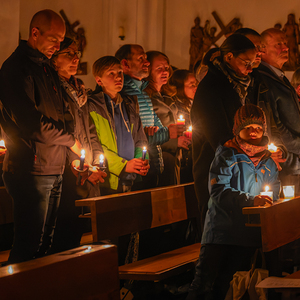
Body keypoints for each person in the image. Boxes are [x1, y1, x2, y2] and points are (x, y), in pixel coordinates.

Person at [0, 9, 82, 263]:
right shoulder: (16, 68)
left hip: (53, 166)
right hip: (30, 169)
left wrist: (73, 155)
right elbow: (32, 124)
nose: (58, 46)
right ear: (35, 33)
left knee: (46, 246)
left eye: (62, 40)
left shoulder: (46, 68)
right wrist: (72, 142)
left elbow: (61, 113)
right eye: (54, 39)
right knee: (28, 246)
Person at [186, 104, 280, 300]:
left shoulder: (268, 162)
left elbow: (275, 186)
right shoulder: (228, 155)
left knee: (228, 284)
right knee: (205, 284)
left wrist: (274, 199)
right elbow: (218, 190)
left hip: (246, 233)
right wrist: (251, 200)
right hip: (221, 231)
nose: (254, 133)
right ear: (238, 130)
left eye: (258, 128)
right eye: (248, 128)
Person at [191, 34, 256, 231]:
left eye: (254, 63)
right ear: (228, 57)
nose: (250, 68)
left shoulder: (237, 85)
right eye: (246, 62)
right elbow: (219, 135)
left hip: (237, 169)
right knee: (215, 235)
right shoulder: (211, 87)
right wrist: (253, 154)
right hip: (215, 170)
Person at [50, 37, 106, 253]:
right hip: (68, 169)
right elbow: (61, 133)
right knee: (67, 231)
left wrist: (97, 160)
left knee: (86, 232)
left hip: (87, 165)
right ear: (55, 59)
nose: (76, 59)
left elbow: (89, 129)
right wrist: (78, 165)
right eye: (69, 54)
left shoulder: (78, 89)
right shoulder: (54, 90)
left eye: (77, 55)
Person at [115, 44, 182, 189]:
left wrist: (167, 132)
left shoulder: (142, 92)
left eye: (146, 58)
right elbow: (134, 135)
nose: (146, 63)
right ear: (125, 64)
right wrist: (165, 133)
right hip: (136, 167)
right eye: (141, 59)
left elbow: (155, 128)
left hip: (151, 163)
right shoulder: (124, 93)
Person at [88, 55, 150, 195]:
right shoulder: (93, 106)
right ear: (99, 80)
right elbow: (95, 145)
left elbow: (140, 138)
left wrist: (141, 160)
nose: (118, 77)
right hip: (108, 179)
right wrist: (123, 165)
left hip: (131, 178)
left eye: (120, 72)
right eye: (111, 73)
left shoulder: (129, 104)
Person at [257, 28, 300, 195]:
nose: (286, 48)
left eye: (286, 44)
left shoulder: (278, 77)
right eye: (279, 44)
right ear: (262, 50)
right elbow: (276, 125)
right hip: (285, 162)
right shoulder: (264, 80)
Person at [145, 51, 191, 186]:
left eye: (166, 67)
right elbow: (144, 134)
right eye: (159, 68)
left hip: (173, 159)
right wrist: (173, 143)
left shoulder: (165, 97)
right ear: (148, 71)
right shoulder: (145, 100)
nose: (164, 71)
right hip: (158, 161)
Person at [169, 69, 198, 183]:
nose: (196, 87)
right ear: (180, 87)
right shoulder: (175, 107)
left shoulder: (194, 104)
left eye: (196, 84)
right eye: (192, 85)